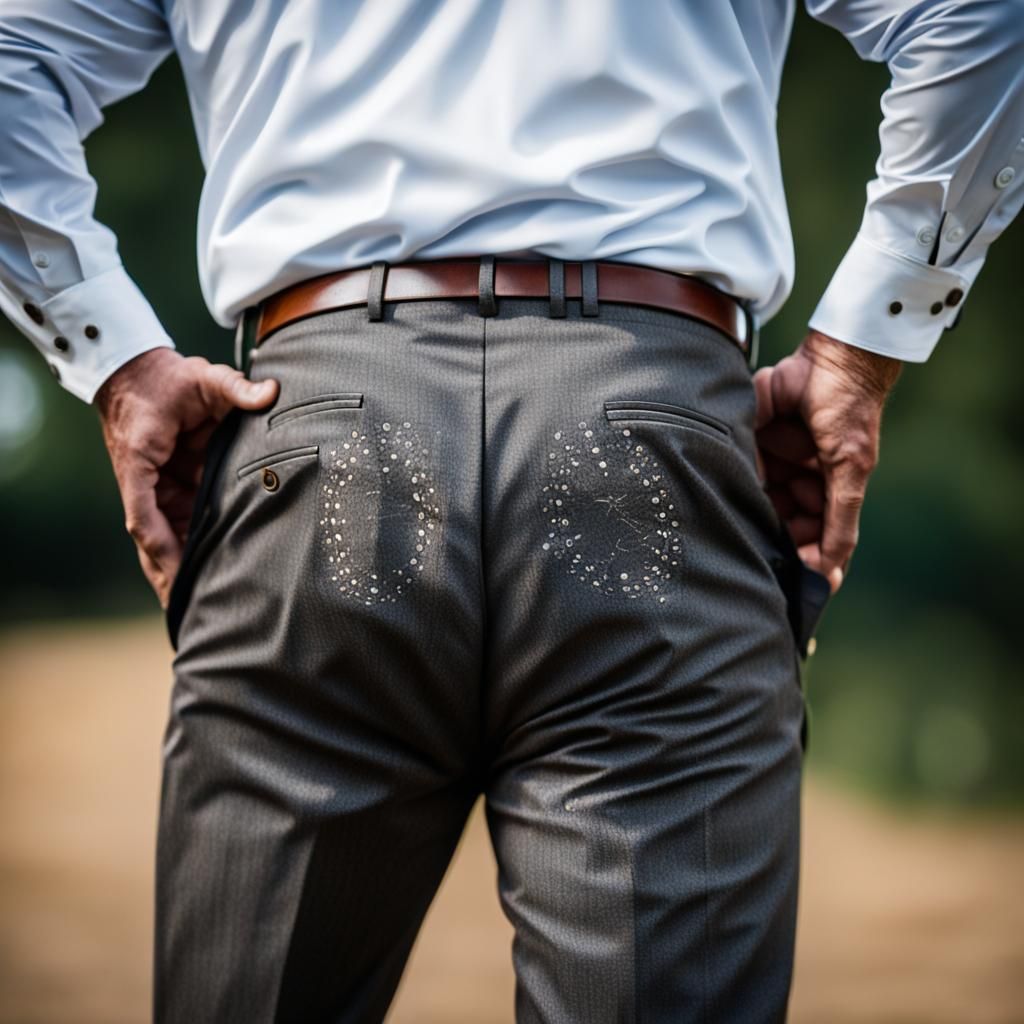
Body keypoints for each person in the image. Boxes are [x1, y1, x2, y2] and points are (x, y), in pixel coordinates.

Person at [1, 1, 1021, 1020]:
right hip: (641, 422)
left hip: (328, 432)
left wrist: (117, 358)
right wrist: (861, 344)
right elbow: (977, 25)